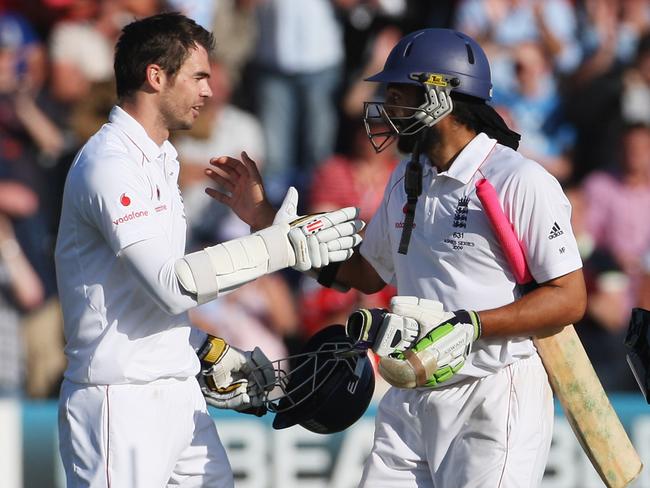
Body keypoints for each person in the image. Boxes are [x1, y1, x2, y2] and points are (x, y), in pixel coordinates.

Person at [211, 28, 587, 487]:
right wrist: (268, 221)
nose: (386, 109)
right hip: (410, 391)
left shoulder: (519, 180)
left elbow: (569, 299)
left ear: (440, 96)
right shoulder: (408, 177)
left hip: (491, 393)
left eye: (397, 94)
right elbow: (367, 274)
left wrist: (470, 325)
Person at [54, 12, 362, 488]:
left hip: (178, 396)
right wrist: (282, 246)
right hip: (119, 403)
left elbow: (147, 302)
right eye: (198, 76)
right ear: (156, 75)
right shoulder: (108, 163)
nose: (209, 91)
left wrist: (208, 350)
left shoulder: (160, 156)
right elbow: (172, 286)